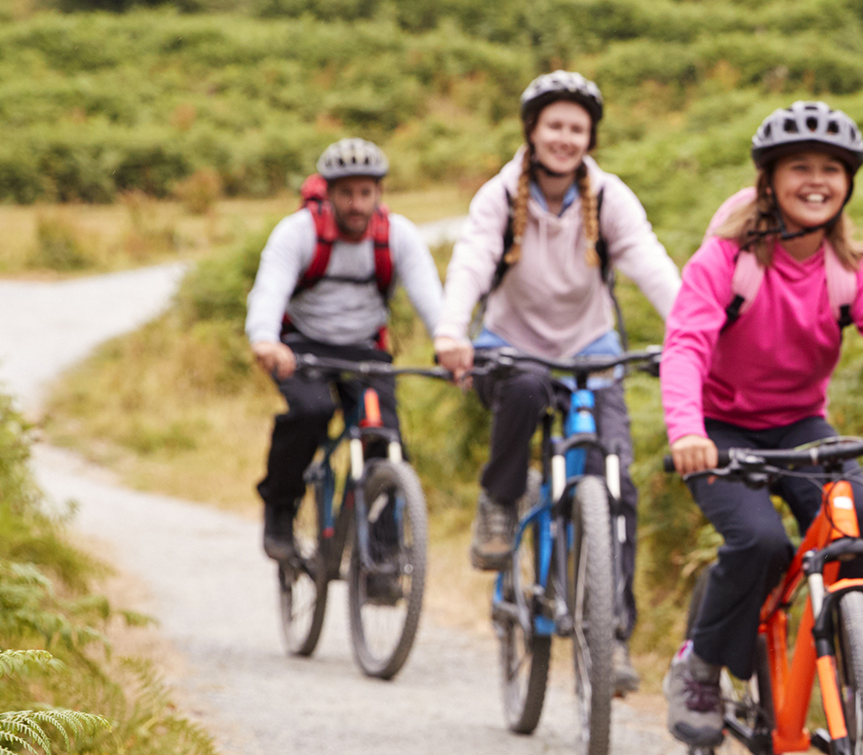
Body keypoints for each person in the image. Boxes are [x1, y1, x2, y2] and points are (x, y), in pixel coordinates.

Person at [660, 100, 863, 746]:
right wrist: (687, 431)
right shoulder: (726, 259)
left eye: (831, 169)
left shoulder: (848, 267)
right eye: (799, 168)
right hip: (719, 430)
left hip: (800, 424)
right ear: (769, 181)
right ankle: (699, 666)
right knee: (759, 544)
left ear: (848, 182)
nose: (816, 181)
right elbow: (686, 344)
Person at [440, 70, 681, 694]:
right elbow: (471, 261)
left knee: (616, 479)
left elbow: (649, 261)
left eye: (577, 128)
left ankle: (613, 635)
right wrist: (451, 331)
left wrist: (691, 330)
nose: (565, 138)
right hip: (510, 344)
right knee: (523, 389)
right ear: (532, 130)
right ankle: (500, 500)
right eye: (555, 125)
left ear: (590, 138)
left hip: (591, 347)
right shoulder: (500, 195)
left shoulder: (609, 196)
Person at [248, 138, 453, 563]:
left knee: (386, 439)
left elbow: (434, 303)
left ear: (380, 193)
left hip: (365, 352)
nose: (356, 204)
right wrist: (265, 340)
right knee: (311, 413)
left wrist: (451, 343)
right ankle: (280, 508)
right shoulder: (297, 232)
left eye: (365, 192)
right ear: (328, 193)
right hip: (303, 348)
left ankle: (383, 554)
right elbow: (269, 290)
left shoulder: (398, 236)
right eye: (346, 193)